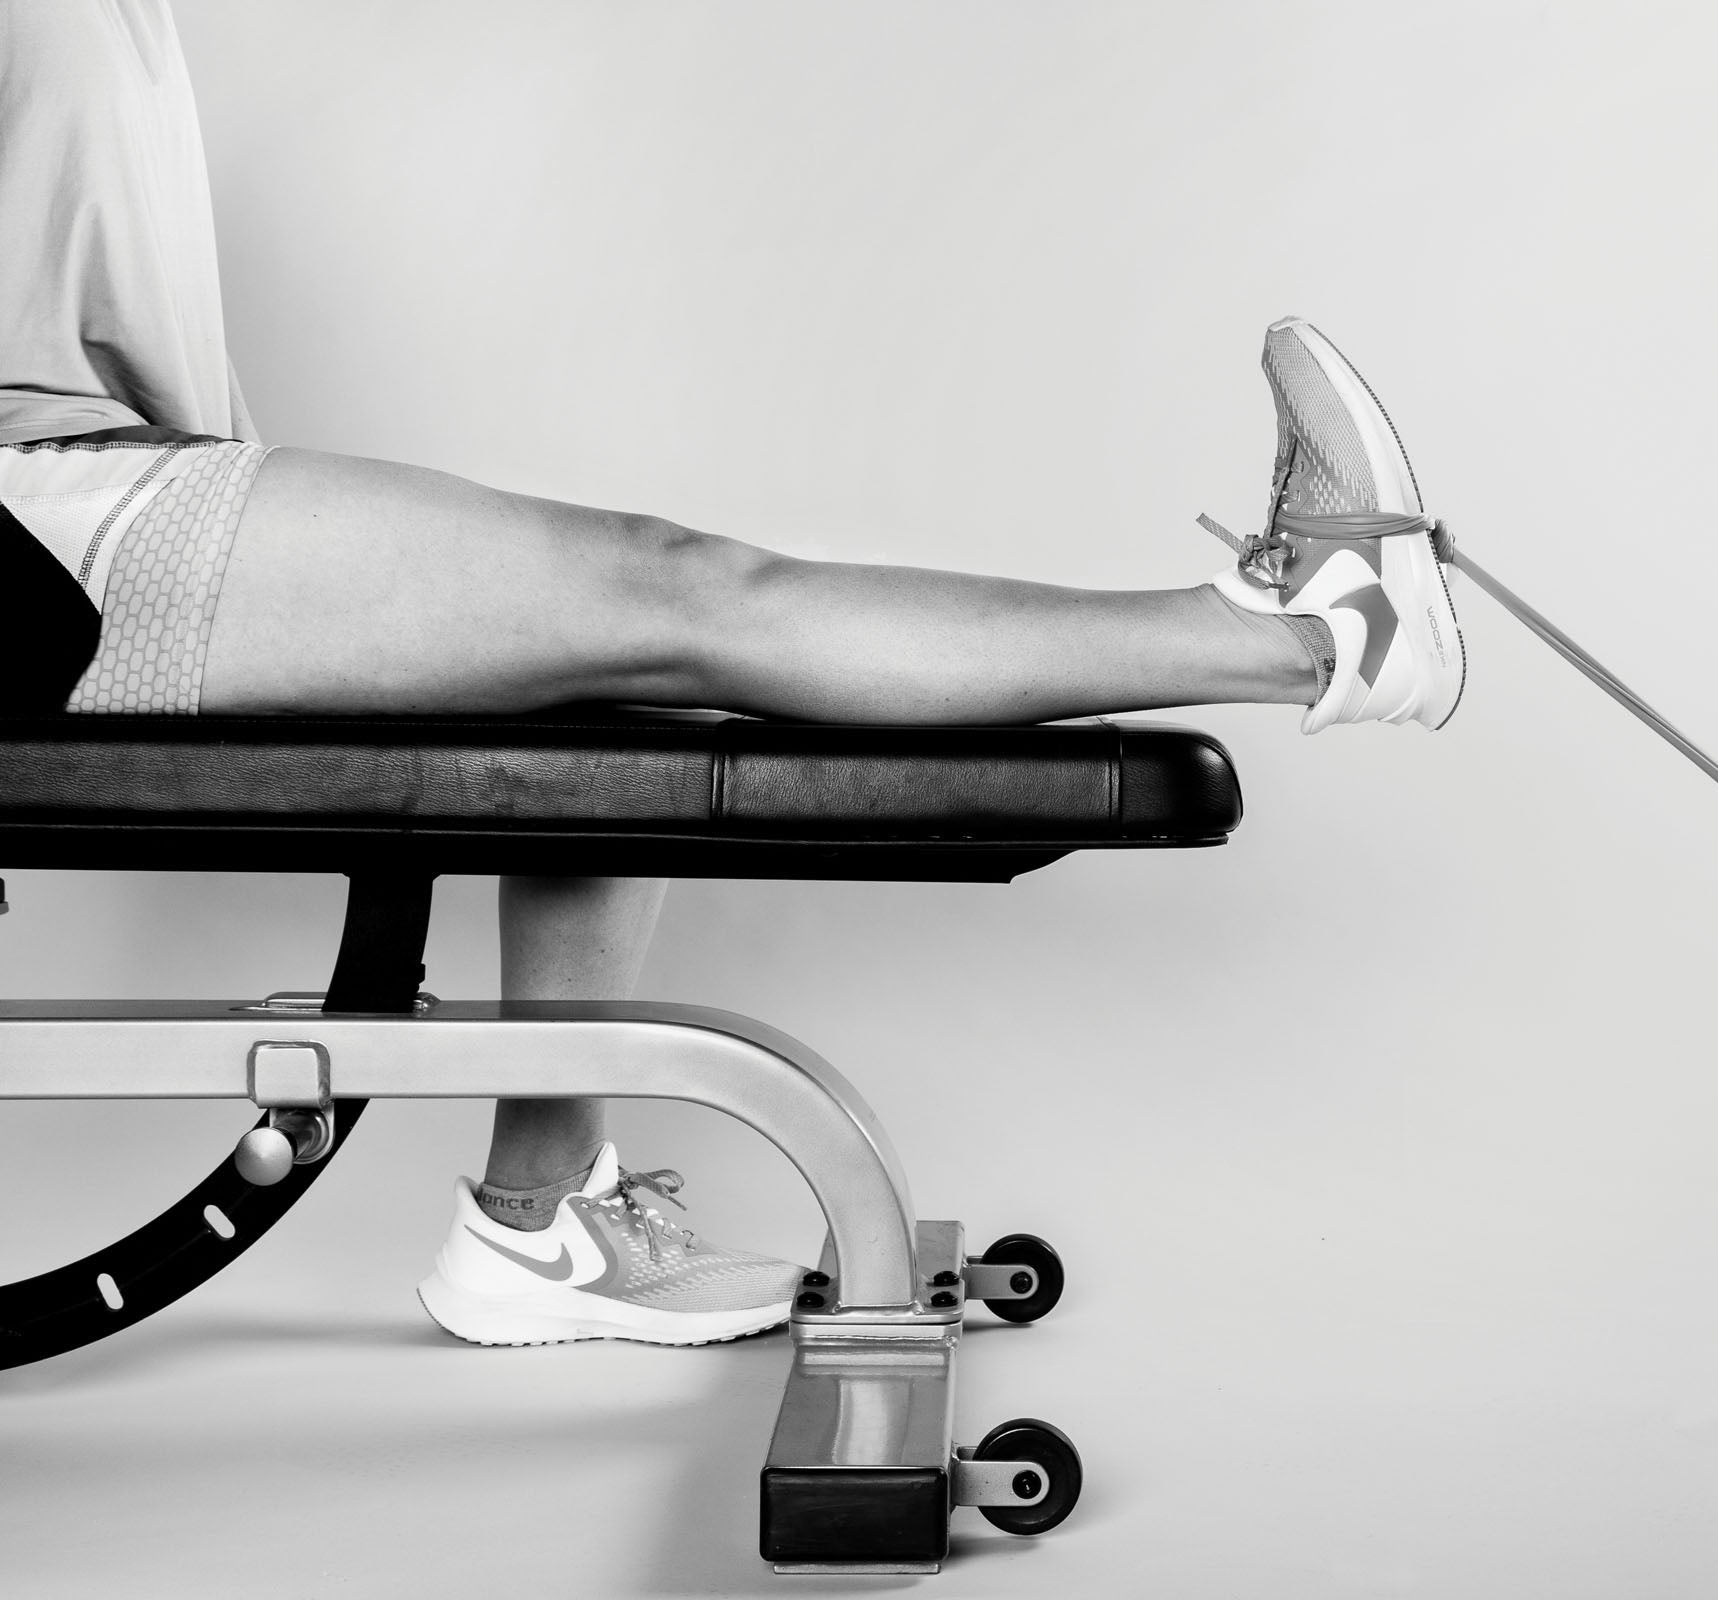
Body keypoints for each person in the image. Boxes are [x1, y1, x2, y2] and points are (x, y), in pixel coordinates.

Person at [0, 1, 1466, 1348]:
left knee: (618, 638)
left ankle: (540, 1219)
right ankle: (1307, 631)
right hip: (41, 544)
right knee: (670, 590)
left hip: (115, 483)